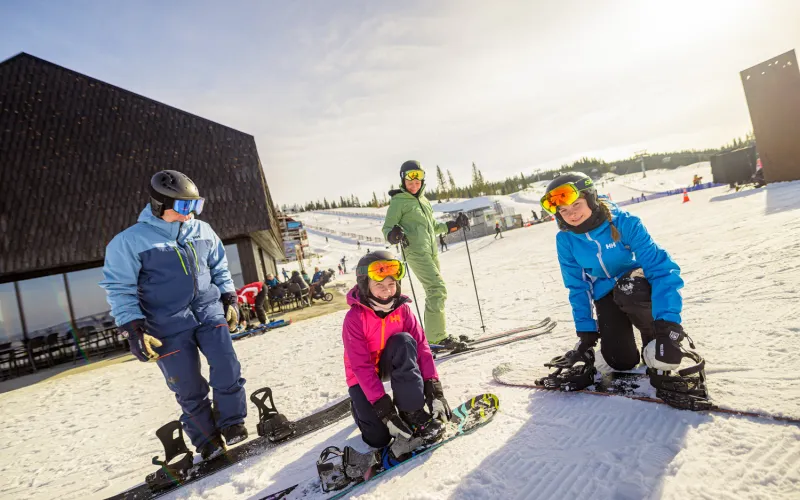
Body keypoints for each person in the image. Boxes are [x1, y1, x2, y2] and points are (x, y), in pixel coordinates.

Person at [100, 170, 254, 461]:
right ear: (160, 205)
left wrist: (230, 298)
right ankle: (207, 440)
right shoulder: (128, 242)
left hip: (209, 312)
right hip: (166, 325)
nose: (191, 213)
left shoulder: (202, 230)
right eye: (184, 206)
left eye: (196, 205)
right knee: (188, 387)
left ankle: (232, 422)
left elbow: (220, 267)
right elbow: (120, 289)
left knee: (227, 366)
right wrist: (134, 330)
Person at [539, 172, 696, 384]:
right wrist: (586, 331)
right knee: (620, 361)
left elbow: (660, 269)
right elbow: (577, 286)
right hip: (604, 291)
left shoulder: (624, 222)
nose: (572, 215)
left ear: (591, 198)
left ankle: (654, 336)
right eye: (563, 210)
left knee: (628, 288)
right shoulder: (566, 240)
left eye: (576, 204)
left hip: (636, 285)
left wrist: (668, 325)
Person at [343, 251, 451, 453]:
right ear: (366, 286)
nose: (387, 292)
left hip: (390, 361)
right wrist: (384, 410)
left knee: (405, 341)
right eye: (380, 286)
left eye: (391, 285)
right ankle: (358, 408)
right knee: (379, 439)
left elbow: (422, 348)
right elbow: (360, 366)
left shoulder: (402, 309)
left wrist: (434, 390)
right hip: (362, 374)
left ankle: (411, 412)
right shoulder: (354, 318)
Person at [382, 161, 469, 348]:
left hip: (431, 251)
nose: (414, 185)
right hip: (415, 252)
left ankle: (437, 335)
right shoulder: (398, 202)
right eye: (410, 181)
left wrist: (455, 224)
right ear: (403, 180)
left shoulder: (424, 201)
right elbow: (387, 228)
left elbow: (434, 227)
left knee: (435, 291)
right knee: (436, 289)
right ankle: (436, 338)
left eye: (418, 180)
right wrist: (394, 234)